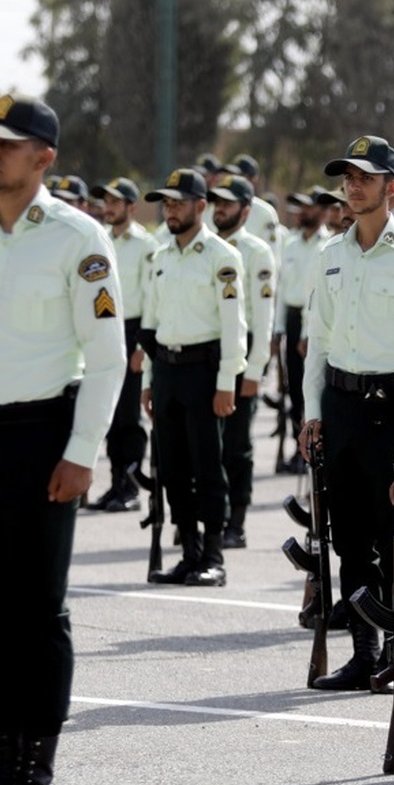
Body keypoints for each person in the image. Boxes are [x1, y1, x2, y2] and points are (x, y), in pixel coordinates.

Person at [0, 93, 126, 785]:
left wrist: (81, 453)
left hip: (42, 441)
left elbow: (106, 359)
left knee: (36, 613)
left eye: (4, 144)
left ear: (44, 158)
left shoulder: (78, 239)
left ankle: (35, 776)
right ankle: (1, 769)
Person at [300, 135, 394, 690]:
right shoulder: (329, 255)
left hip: (392, 407)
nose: (352, 186)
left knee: (392, 532)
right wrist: (312, 412)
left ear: (391, 187)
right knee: (348, 535)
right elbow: (318, 342)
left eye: (364, 178)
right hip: (341, 403)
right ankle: (362, 652)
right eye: (347, 178)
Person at [141, 169, 247, 587]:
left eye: (178, 203)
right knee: (172, 467)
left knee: (207, 465)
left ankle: (214, 555)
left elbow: (233, 325)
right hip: (166, 370)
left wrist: (226, 382)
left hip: (204, 372)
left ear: (200, 206)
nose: (170, 211)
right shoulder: (161, 255)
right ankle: (188, 552)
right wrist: (150, 378)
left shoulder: (222, 257)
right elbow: (152, 324)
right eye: (165, 204)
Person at [208, 174, 277, 549]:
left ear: (245, 210)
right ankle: (212, 516)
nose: (220, 209)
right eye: (217, 202)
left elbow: (263, 318)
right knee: (208, 445)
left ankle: (237, 519)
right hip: (210, 349)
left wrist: (255, 369)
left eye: (228, 203)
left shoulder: (257, 253)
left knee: (236, 444)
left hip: (243, 350)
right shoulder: (206, 247)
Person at [85, 178, 157, 512]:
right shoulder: (98, 238)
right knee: (109, 411)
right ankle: (114, 483)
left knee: (128, 412)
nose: (109, 207)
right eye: (106, 202)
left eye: (116, 202)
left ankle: (129, 486)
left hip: (133, 331)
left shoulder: (146, 245)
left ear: (131, 206)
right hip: (104, 328)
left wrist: (143, 345)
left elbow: (151, 297)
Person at [276, 188, 331, 474]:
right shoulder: (291, 244)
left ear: (321, 212)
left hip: (315, 321)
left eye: (307, 208)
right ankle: (299, 447)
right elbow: (282, 290)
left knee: (311, 386)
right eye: (298, 208)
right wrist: (278, 330)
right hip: (294, 319)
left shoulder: (329, 245)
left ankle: (315, 445)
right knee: (294, 389)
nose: (301, 213)